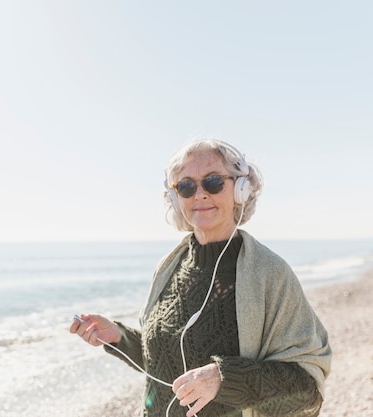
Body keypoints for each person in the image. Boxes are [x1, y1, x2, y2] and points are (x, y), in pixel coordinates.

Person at [69, 139, 331, 417]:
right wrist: (120, 337)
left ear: (240, 190)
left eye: (214, 182)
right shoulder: (168, 267)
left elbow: (307, 389)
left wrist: (224, 378)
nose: (199, 194)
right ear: (175, 198)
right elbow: (165, 366)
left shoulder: (270, 274)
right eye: (186, 186)